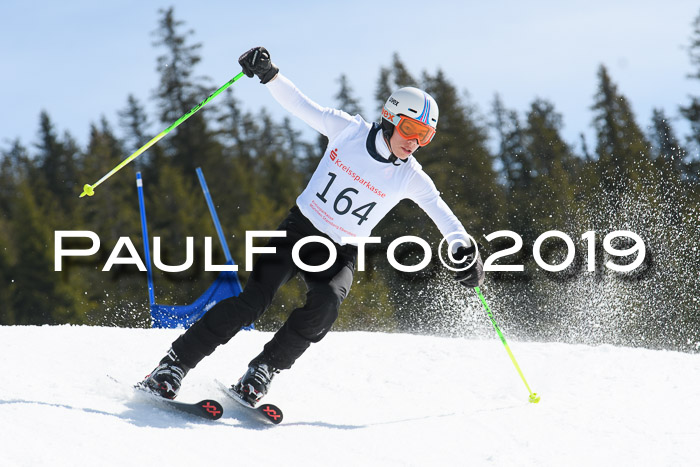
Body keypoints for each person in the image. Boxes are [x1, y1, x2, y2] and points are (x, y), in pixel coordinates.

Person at [139, 46, 485, 405]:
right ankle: (173, 365)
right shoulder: (348, 131)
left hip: (340, 251)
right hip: (299, 230)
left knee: (326, 305)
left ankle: (263, 370)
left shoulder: (410, 177)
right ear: (390, 118)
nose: (414, 142)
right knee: (251, 303)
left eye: (424, 136)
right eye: (411, 129)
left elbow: (442, 214)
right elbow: (301, 105)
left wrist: (464, 251)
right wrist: (269, 73)